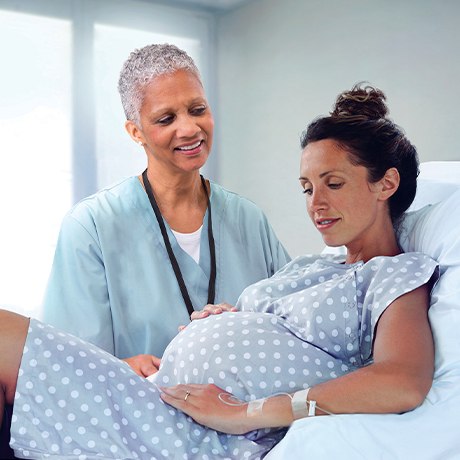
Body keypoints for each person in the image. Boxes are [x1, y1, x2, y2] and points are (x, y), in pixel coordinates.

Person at [1, 84, 438, 459]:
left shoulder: (394, 276)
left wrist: (245, 413)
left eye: (334, 183)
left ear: (386, 183)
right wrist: (228, 320)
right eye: (307, 188)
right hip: (163, 397)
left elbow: (402, 381)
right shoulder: (311, 267)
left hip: (200, 434)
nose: (316, 204)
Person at [42, 43, 290, 377]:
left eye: (198, 110)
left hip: (248, 407)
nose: (189, 129)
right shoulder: (91, 228)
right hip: (139, 408)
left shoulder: (248, 219)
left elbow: (294, 326)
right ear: (135, 132)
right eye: (166, 119)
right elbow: (66, 366)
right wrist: (122, 369)